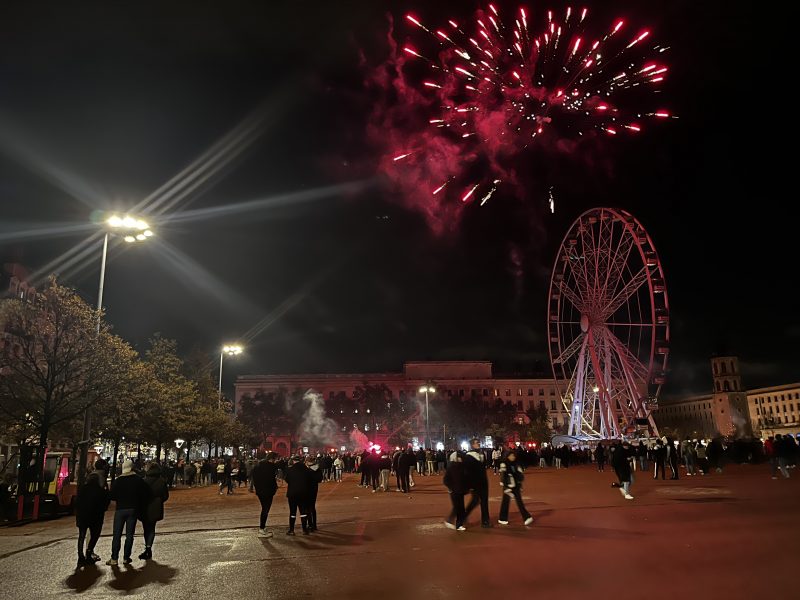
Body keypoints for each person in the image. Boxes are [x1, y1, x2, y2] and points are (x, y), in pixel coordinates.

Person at [107, 459, 150, 566]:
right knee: (129, 535)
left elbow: (112, 496)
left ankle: (114, 558)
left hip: (120, 509)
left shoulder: (118, 481)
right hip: (133, 509)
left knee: (117, 534)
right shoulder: (137, 479)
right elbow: (145, 493)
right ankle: (126, 557)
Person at [75, 472, 111, 567]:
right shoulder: (100, 490)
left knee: (81, 536)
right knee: (94, 535)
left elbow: (77, 502)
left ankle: (80, 556)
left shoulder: (83, 489)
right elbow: (106, 503)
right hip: (96, 517)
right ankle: (89, 552)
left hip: (82, 516)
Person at [139, 463, 169, 560]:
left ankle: (147, 547)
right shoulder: (161, 481)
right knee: (152, 528)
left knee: (146, 528)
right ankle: (149, 547)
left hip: (144, 506)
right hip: (156, 507)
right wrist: (159, 500)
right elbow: (165, 496)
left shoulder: (144, 481)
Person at [497, 450, 534, 526]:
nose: (512, 457)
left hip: (516, 485)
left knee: (519, 502)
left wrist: (520, 484)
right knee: (505, 502)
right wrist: (506, 487)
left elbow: (520, 475)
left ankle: (526, 517)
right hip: (508, 486)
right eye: (511, 456)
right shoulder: (504, 464)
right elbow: (503, 476)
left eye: (513, 455)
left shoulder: (516, 464)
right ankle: (502, 518)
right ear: (507, 456)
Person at [463, 438, 491, 528]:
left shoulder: (482, 454)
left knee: (484, 502)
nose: (478, 444)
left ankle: (485, 521)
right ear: (472, 445)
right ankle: (463, 516)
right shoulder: (468, 456)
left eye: (479, 442)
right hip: (475, 483)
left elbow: (484, 467)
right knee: (475, 501)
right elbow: (467, 471)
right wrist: (469, 484)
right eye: (476, 443)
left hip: (483, 481)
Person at [252, 453, 279, 537]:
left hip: (260, 491)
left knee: (264, 508)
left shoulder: (257, 467)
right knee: (265, 509)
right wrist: (274, 488)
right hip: (268, 491)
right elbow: (271, 480)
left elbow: (254, 479)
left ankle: (263, 527)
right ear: (272, 459)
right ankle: (261, 528)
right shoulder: (271, 467)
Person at [284, 456, 311, 535]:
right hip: (303, 493)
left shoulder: (290, 469)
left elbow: (287, 480)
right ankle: (304, 529)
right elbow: (309, 480)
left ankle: (291, 530)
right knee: (303, 511)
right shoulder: (306, 469)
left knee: (292, 512)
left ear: (293, 461)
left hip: (292, 493)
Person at [443, 451, 468, 531]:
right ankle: (451, 521)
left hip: (460, 490)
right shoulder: (451, 467)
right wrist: (451, 487)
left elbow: (464, 478)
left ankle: (459, 523)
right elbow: (446, 480)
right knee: (457, 507)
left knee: (461, 507)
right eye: (460, 457)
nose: (461, 459)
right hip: (454, 491)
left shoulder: (462, 466)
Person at [306, 456, 323, 531]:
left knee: (307, 508)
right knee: (312, 507)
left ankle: (310, 524)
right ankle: (314, 525)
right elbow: (320, 479)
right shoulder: (318, 469)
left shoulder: (307, 470)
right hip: (314, 489)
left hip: (307, 489)